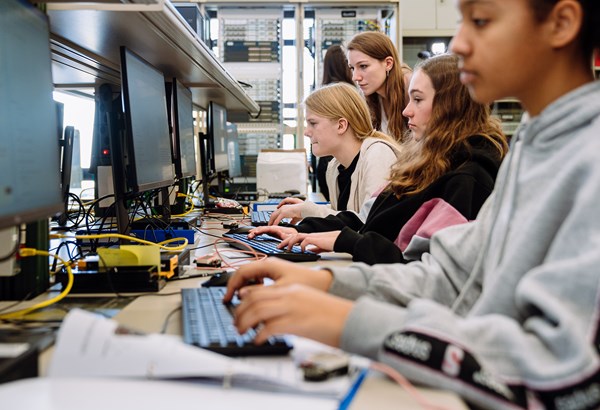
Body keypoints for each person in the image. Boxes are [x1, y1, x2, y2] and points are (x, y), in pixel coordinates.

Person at [225, 0, 600, 408]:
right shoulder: (536, 143)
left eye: (480, 21)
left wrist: (350, 322)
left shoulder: (588, 158)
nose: (459, 41)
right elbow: (453, 279)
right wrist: (331, 284)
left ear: (561, 24)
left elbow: (564, 376)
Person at [255, 53, 508, 265]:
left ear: (451, 107)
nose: (406, 111)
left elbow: (422, 267)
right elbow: (367, 219)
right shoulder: (426, 164)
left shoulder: (467, 179)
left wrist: (345, 241)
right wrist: (299, 231)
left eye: (418, 100)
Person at [269, 82, 401, 226]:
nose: (307, 132)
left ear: (341, 125)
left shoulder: (378, 155)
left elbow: (368, 223)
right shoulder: (334, 167)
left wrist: (307, 210)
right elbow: (343, 217)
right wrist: (305, 209)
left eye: (313, 123)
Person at [346, 31, 412, 142]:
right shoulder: (370, 96)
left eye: (363, 66)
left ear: (388, 63)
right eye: (352, 68)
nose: (355, 77)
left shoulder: (410, 87)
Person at [316, 44, 355, 202]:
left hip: (325, 161)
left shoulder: (321, 93)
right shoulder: (351, 93)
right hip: (343, 162)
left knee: (332, 208)